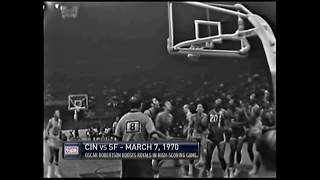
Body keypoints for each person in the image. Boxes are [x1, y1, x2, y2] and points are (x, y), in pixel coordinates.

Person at [114, 96, 165, 178]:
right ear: (141, 105)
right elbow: (154, 136)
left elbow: (116, 139)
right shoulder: (146, 118)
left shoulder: (122, 119)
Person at [152, 100, 174, 178]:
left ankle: (156, 170)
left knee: (165, 156)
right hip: (157, 138)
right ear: (164, 107)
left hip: (165, 138)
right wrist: (164, 137)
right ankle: (155, 174)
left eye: (170, 104)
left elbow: (167, 129)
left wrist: (168, 136)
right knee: (156, 158)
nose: (170, 106)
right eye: (168, 104)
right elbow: (156, 129)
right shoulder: (159, 115)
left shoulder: (171, 117)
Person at [206, 108, 229, 177]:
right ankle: (208, 172)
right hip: (211, 137)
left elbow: (226, 127)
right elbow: (206, 126)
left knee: (221, 157)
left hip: (220, 138)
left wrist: (220, 130)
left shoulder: (223, 117)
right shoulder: (209, 116)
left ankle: (225, 171)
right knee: (208, 156)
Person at [189, 104, 209, 177]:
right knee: (193, 150)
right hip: (196, 133)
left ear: (203, 109)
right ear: (197, 109)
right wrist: (189, 134)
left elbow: (206, 126)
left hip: (203, 134)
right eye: (198, 107)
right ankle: (190, 167)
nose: (199, 108)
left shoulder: (205, 116)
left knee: (204, 150)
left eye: (201, 107)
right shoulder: (193, 116)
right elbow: (190, 126)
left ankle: (207, 166)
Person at [44, 110, 63, 178]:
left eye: (59, 113)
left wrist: (61, 138)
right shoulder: (51, 121)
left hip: (57, 141)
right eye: (57, 113)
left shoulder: (60, 121)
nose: (58, 115)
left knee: (57, 157)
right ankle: (48, 174)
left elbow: (60, 131)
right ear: (54, 114)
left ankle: (56, 172)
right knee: (52, 156)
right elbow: (47, 129)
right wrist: (47, 136)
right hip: (51, 141)